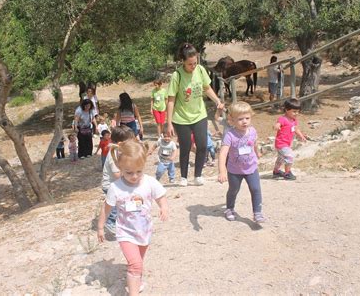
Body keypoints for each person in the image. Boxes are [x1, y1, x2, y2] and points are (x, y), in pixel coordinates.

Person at [97, 139, 168, 296]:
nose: (134, 176)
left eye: (139, 171)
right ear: (120, 168)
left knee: (139, 262)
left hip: (144, 231)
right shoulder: (116, 188)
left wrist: (163, 207)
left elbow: (160, 195)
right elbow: (106, 208)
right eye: (129, 172)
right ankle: (133, 292)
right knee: (135, 264)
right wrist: (101, 227)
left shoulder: (149, 182)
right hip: (125, 233)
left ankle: (136, 281)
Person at [166, 43, 224, 187]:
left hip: (199, 115)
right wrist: (169, 123)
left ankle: (198, 175)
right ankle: (184, 177)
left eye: (195, 62)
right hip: (181, 118)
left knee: (203, 145)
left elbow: (207, 88)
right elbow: (171, 100)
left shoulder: (200, 70)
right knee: (185, 147)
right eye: (190, 64)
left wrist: (217, 100)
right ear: (183, 61)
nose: (193, 66)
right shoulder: (177, 75)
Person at [218, 101, 265, 223]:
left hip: (251, 167)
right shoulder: (230, 135)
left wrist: (257, 152)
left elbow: (254, 143)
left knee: (255, 189)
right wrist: (222, 171)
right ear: (232, 120)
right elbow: (223, 153)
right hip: (234, 170)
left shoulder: (253, 131)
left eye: (247, 118)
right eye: (240, 119)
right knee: (233, 190)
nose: (244, 121)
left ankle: (257, 213)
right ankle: (229, 208)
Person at [101, 125, 136, 234]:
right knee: (114, 205)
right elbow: (116, 174)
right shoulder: (113, 154)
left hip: (120, 184)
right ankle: (110, 222)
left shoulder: (122, 151)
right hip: (111, 185)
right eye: (130, 142)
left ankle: (129, 221)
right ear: (120, 144)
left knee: (127, 201)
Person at [272, 98, 307, 180]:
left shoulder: (294, 120)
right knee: (290, 157)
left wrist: (301, 135)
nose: (296, 113)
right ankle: (287, 173)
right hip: (281, 143)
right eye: (294, 111)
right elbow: (277, 124)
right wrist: (276, 126)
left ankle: (276, 171)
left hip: (287, 143)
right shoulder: (283, 119)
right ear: (287, 110)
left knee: (280, 159)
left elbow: (295, 129)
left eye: (298, 111)